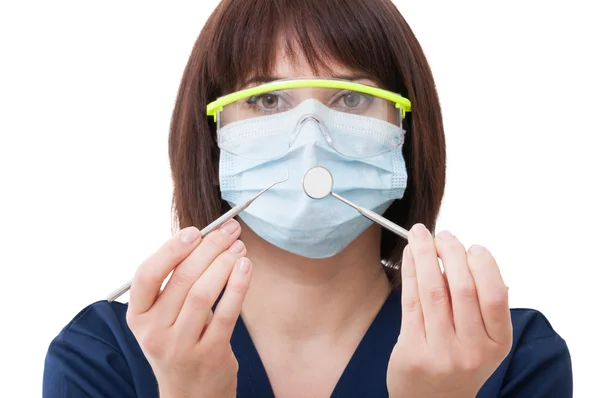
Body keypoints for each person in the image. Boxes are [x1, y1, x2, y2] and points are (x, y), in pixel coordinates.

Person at [42, 0, 573, 397]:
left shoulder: (508, 353)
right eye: (268, 98)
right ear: (213, 133)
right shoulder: (104, 355)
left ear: (407, 131)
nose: (311, 137)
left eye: (352, 97)